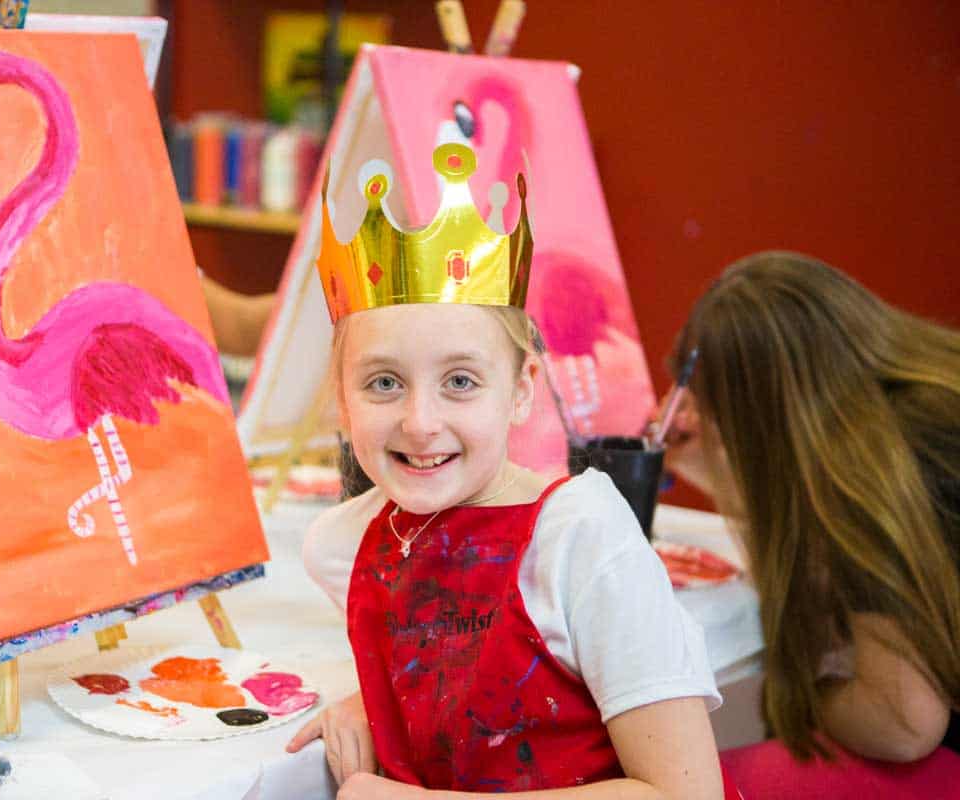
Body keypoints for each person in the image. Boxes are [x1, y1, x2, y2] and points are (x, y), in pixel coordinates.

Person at [286, 142, 733, 798]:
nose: (420, 422)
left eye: (461, 380)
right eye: (383, 383)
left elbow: (685, 793)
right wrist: (371, 702)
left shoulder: (580, 538)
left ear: (523, 388)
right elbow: (456, 685)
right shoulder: (343, 548)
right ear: (340, 398)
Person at [661, 251, 960, 795]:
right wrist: (712, 466)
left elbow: (904, 724)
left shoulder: (868, 474)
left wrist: (808, 691)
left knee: (689, 785)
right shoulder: (927, 399)